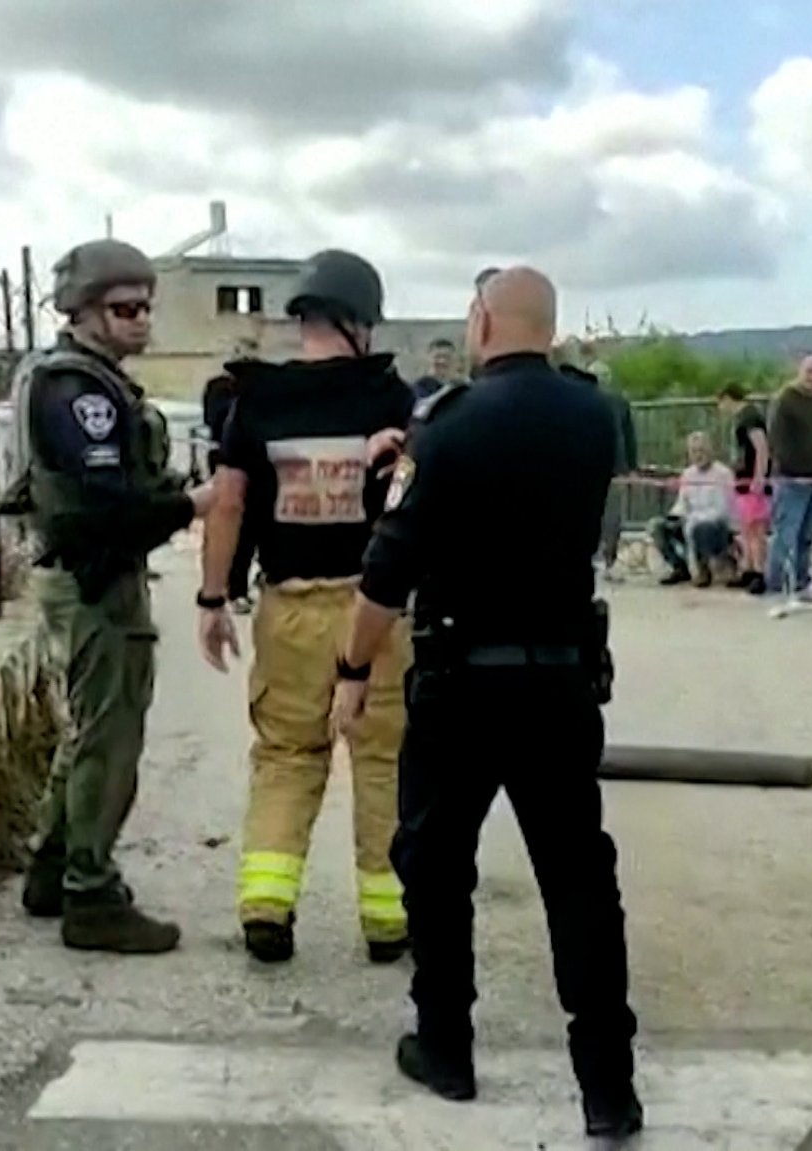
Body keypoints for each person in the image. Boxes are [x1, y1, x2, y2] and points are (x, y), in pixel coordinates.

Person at [330, 265, 643, 1140]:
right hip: (560, 679)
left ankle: (446, 1047)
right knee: (579, 877)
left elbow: (388, 569)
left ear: (481, 322)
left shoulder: (449, 425)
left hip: (463, 683)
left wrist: (353, 671)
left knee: (435, 866)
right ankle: (608, 1087)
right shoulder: (592, 418)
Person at [196, 249, 415, 965]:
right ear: (356, 320)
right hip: (374, 612)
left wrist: (212, 596)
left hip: (288, 606)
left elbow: (228, 501)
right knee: (384, 758)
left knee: (287, 755)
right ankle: (388, 921)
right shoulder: (390, 399)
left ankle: (267, 906)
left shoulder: (255, 398)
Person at [15, 239, 217, 954]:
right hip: (97, 579)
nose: (140, 320)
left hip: (91, 574)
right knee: (110, 736)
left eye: (145, 306)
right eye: (124, 307)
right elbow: (103, 507)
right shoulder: (80, 393)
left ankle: (53, 865)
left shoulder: (86, 380)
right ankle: (89, 893)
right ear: (83, 310)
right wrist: (193, 504)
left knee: (89, 728)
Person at [763, 355, 812, 601]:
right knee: (786, 531)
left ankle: (802, 583)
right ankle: (775, 583)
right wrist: (790, 470)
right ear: (800, 372)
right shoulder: (785, 400)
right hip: (792, 477)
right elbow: (777, 440)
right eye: (810, 372)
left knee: (807, 534)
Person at [201, 338, 262, 613]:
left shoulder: (259, 391)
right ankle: (226, 587)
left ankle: (246, 582)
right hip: (225, 458)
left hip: (256, 463)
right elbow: (216, 419)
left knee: (253, 528)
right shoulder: (219, 388)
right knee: (227, 521)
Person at [564, 359, 638, 578]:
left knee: (611, 517)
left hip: (612, 468)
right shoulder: (583, 402)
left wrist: (631, 466)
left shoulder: (618, 403)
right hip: (590, 468)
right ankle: (594, 559)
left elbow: (629, 436)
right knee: (591, 515)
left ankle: (608, 560)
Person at [652, 431, 737, 587]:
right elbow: (682, 504)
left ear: (711, 451)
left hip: (716, 525)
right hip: (690, 520)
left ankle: (705, 570)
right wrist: (674, 517)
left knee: (701, 528)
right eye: (694, 451)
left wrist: (693, 520)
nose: (698, 455)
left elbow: (723, 510)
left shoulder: (723, 474)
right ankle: (680, 568)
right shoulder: (688, 474)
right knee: (657, 526)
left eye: (702, 450)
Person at [717, 384, 771, 589]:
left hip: (751, 482)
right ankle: (748, 569)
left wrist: (759, 477)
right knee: (746, 529)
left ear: (728, 398)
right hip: (742, 481)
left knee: (755, 528)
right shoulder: (742, 419)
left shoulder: (750, 418)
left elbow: (761, 448)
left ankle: (758, 571)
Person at [412, 337, 461, 402]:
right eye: (437, 357)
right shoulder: (420, 388)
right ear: (428, 359)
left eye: (447, 357)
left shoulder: (459, 387)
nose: (442, 361)